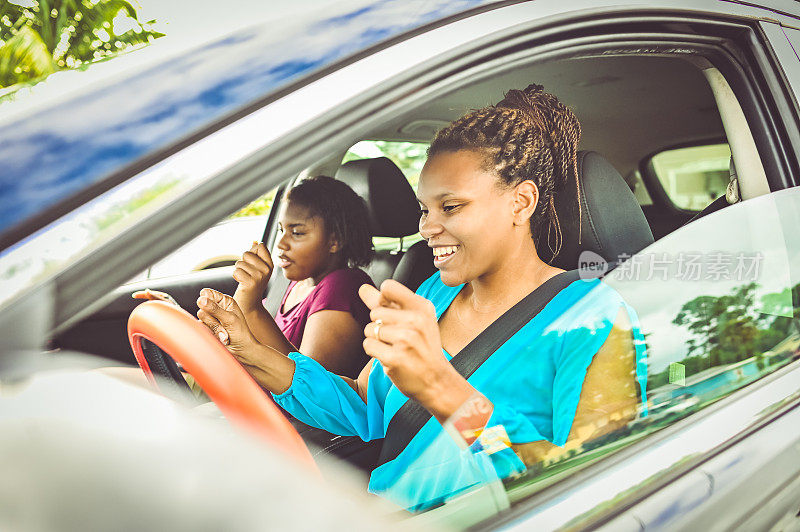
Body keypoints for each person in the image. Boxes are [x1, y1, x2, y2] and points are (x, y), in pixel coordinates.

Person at [196, 84, 648, 511]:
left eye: (451, 207)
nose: (427, 228)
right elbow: (364, 409)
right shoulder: (432, 294)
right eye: (424, 210)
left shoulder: (595, 319)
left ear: (521, 202)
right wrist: (251, 353)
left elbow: (586, 487)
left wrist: (442, 388)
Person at [230, 175, 375, 379]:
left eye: (297, 233)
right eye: (281, 230)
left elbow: (311, 386)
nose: (280, 244)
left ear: (335, 240)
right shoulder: (298, 283)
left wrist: (251, 307)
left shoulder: (341, 286)